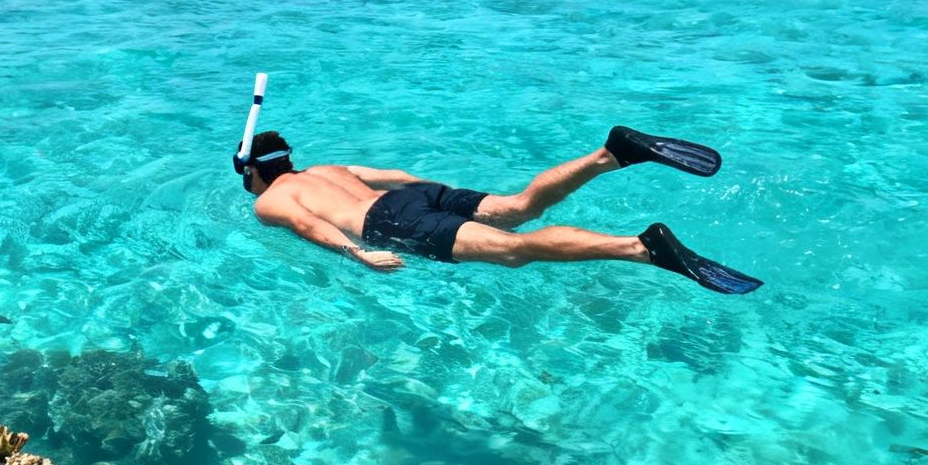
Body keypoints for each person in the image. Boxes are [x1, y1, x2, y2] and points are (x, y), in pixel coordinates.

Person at [238, 126, 762, 293]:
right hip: (412, 197)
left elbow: (308, 225)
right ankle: (613, 153)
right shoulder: (326, 169)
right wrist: (437, 198)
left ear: (255, 172)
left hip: (389, 223)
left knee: (511, 252)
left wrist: (357, 255)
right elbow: (398, 178)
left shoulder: (272, 201)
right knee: (517, 208)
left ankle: (642, 248)